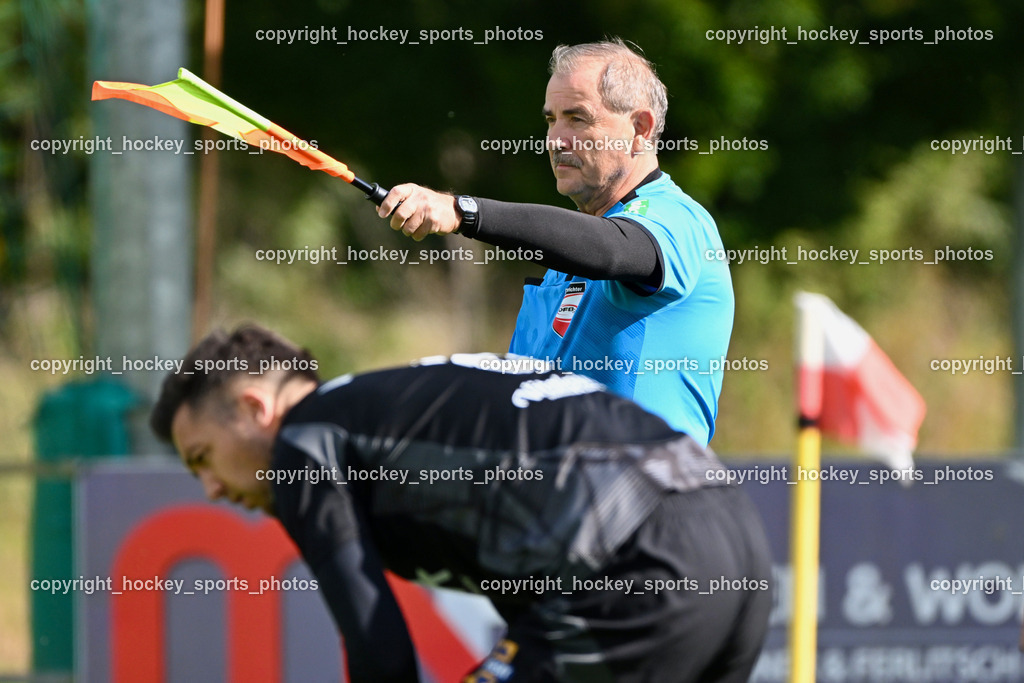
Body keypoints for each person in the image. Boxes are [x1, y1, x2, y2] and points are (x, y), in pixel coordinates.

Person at [150, 324, 771, 683]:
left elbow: (379, 649)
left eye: (202, 456)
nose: (211, 490)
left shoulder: (304, 441)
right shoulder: (395, 406)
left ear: (255, 408)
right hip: (735, 542)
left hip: (634, 559)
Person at [373, 38, 734, 446]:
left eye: (577, 119)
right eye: (551, 120)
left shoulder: (678, 221)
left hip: (648, 499)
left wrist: (463, 211)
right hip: (559, 501)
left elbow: (612, 249)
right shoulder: (568, 251)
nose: (556, 139)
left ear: (640, 129)